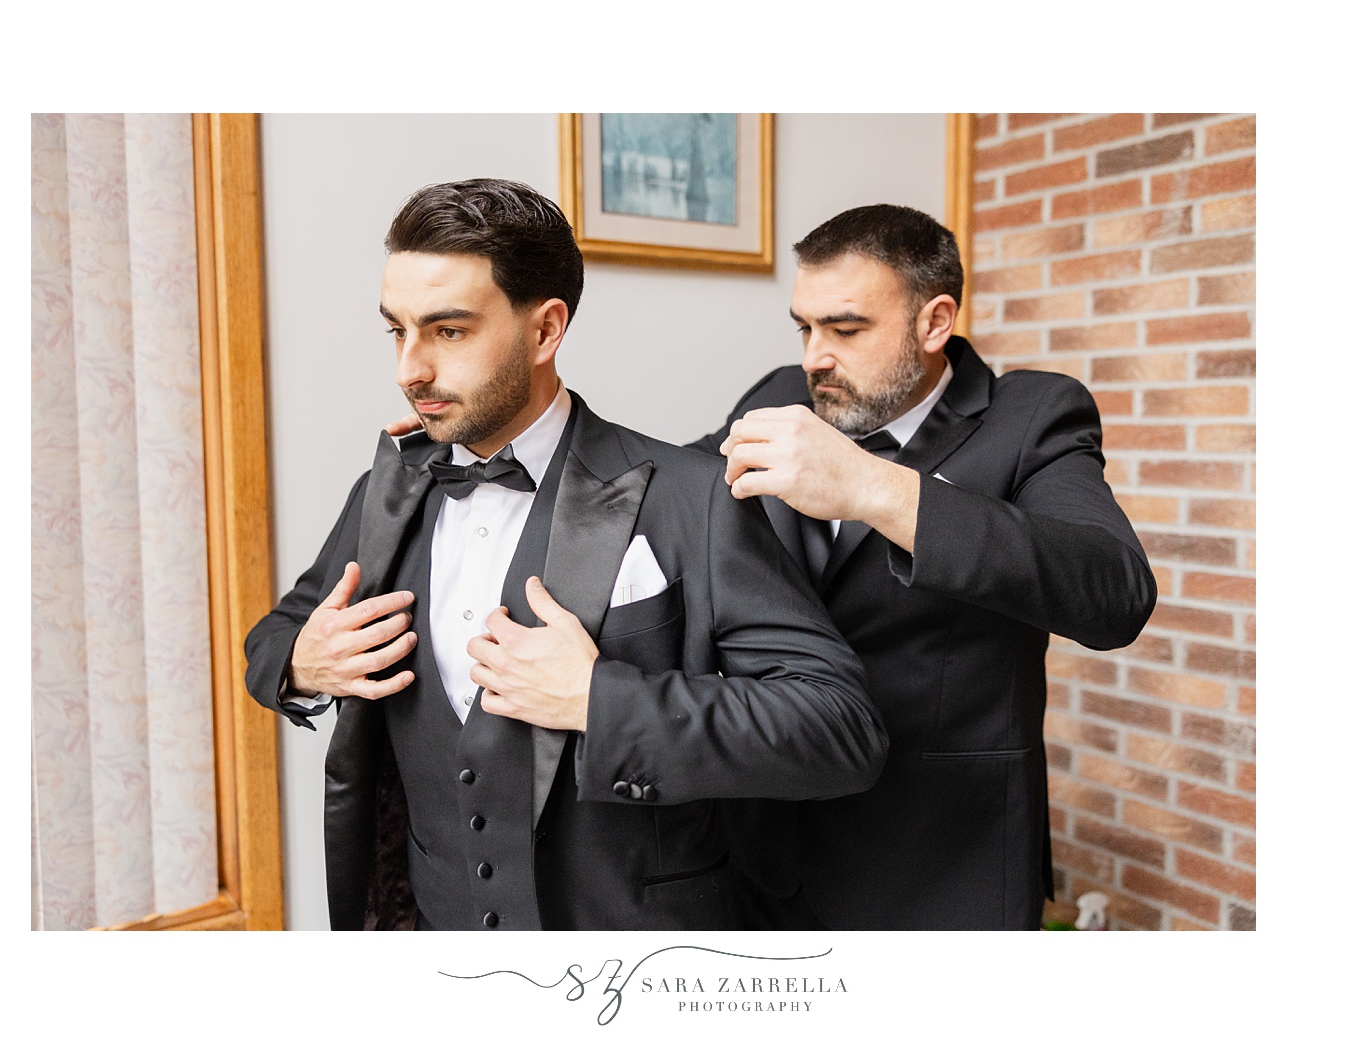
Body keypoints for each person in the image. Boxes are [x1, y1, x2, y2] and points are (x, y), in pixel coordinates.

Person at [243, 179, 887, 931]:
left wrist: (598, 701)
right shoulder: (388, 487)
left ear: (546, 330)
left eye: (447, 332)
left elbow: (840, 730)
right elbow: (276, 635)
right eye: (397, 330)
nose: (408, 370)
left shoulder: (694, 498)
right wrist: (301, 664)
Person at [693, 203, 1157, 930]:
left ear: (934, 321)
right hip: (764, 854)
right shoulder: (782, 394)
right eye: (804, 327)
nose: (814, 355)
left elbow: (1113, 593)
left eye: (845, 330)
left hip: (940, 866)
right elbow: (673, 492)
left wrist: (873, 490)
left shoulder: (1032, 417)